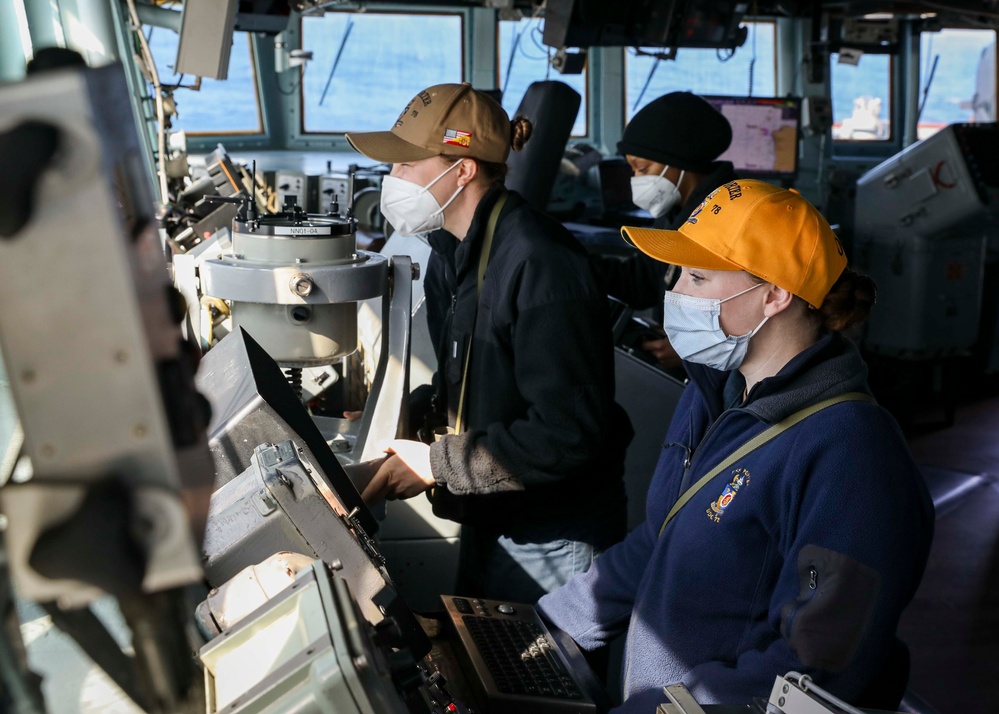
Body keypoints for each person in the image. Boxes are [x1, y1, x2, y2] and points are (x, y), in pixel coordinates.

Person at [537, 179, 934, 710]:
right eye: (676, 274)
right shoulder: (714, 394)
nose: (675, 293)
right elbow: (661, 539)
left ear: (774, 294)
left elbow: (815, 665)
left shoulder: (852, 456)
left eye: (697, 277)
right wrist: (543, 628)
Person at [345, 83, 631, 603]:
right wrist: (398, 428)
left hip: (550, 533)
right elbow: (471, 385)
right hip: (488, 504)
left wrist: (435, 464)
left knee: (538, 680)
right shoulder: (451, 254)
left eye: (407, 165)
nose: (393, 180)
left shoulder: (540, 263)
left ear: (464, 168)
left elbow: (566, 432)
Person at [595, 91, 737, 369]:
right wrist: (571, 263)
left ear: (679, 162)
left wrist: (694, 350)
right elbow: (644, 282)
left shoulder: (731, 216)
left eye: (643, 167)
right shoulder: (676, 212)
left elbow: (754, 310)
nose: (637, 179)